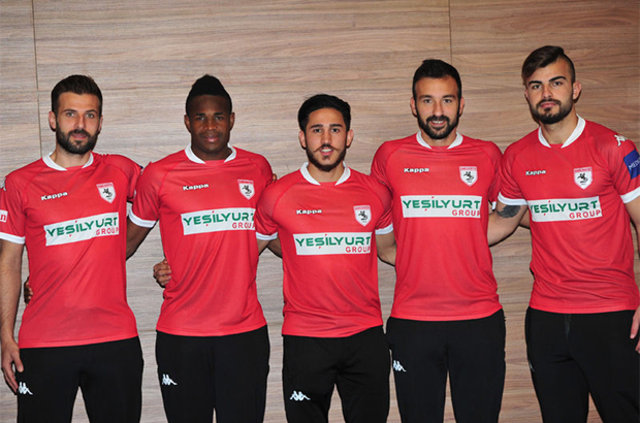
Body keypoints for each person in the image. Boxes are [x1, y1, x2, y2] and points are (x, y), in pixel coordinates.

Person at [489, 45, 640, 422]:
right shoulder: (518, 156)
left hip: (611, 314)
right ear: (526, 94)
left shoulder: (613, 147)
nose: (546, 93)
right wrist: (437, 229)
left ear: (575, 88)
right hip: (547, 318)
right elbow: (504, 221)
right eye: (536, 86)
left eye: (556, 83)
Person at [126, 75, 272, 423]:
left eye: (218, 117)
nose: (210, 126)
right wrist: (51, 279)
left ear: (231, 120)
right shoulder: (160, 174)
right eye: (201, 117)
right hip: (182, 335)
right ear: (187, 121)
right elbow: (123, 244)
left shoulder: (258, 168)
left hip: (244, 333)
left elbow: (279, 234)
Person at [0, 75, 143, 422]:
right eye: (70, 114)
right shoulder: (20, 183)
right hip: (44, 343)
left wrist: (177, 262)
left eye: (90, 115)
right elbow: (8, 262)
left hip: (115, 339)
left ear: (100, 122)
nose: (80, 124)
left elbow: (173, 199)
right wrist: (5, 336)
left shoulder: (120, 170)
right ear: (53, 119)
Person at [371, 60, 505, 422]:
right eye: (427, 100)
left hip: (479, 319)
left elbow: (509, 214)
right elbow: (380, 230)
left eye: (447, 100)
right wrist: (410, 256)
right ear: (413, 105)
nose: (438, 111)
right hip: (413, 321)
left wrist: (470, 241)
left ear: (461, 104)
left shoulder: (487, 154)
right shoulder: (389, 156)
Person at [253, 94, 395, 423]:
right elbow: (245, 252)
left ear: (349, 136)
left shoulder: (375, 193)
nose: (326, 139)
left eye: (335, 129)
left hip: (365, 336)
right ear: (303, 138)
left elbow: (389, 250)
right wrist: (183, 269)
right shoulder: (277, 195)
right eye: (317, 130)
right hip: (306, 339)